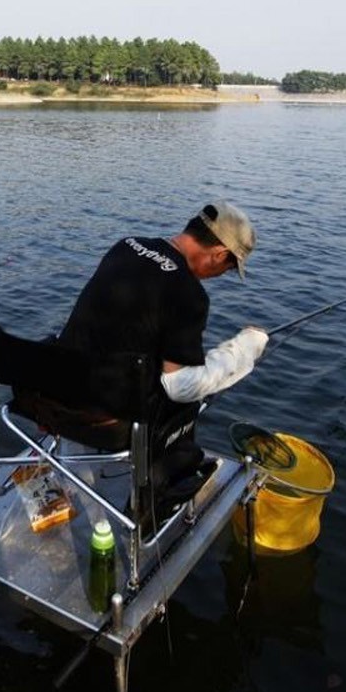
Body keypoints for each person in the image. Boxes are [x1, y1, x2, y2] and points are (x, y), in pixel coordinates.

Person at [56, 200, 268, 516]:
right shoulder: (189, 293)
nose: (221, 275)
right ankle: (160, 494)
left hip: (52, 391)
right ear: (220, 254)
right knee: (186, 399)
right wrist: (243, 349)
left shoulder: (126, 246)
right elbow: (180, 386)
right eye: (227, 268)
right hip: (106, 418)